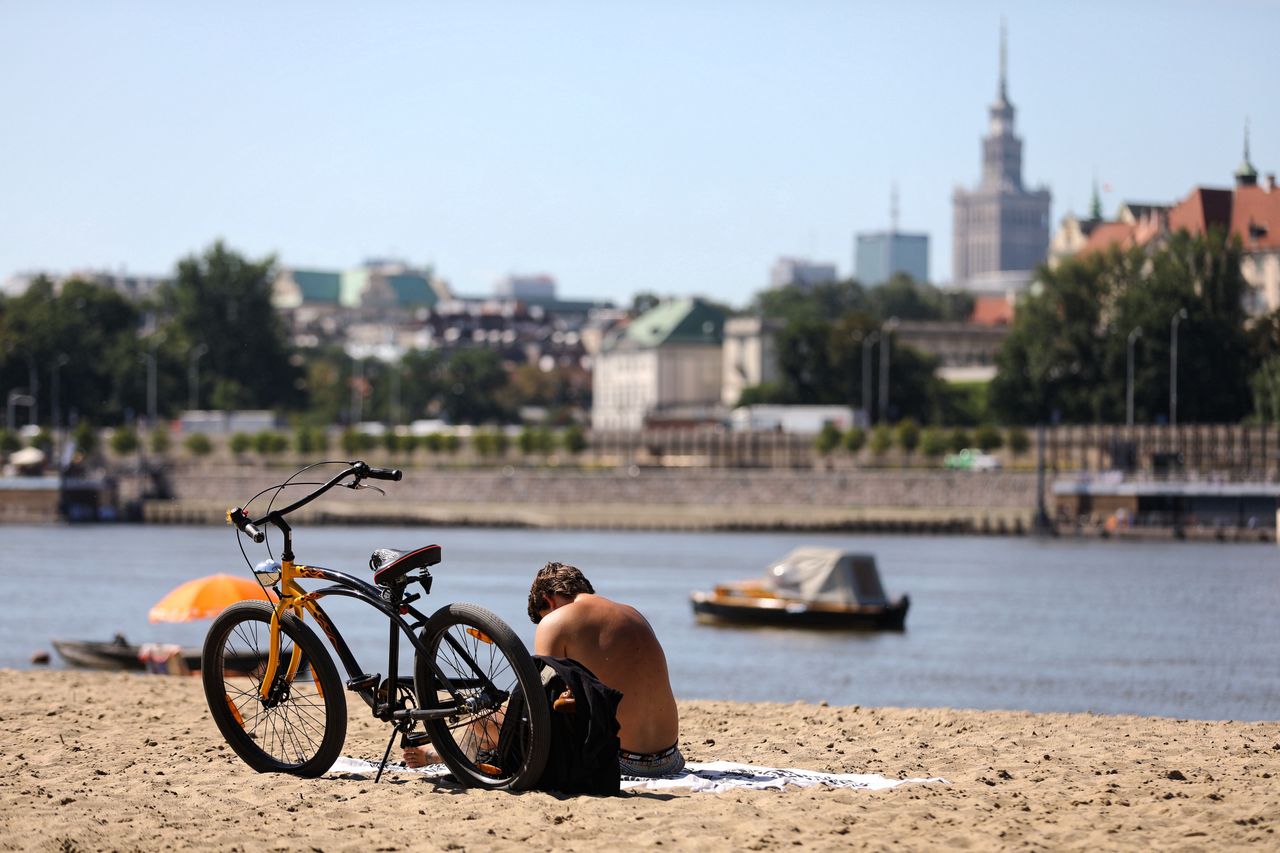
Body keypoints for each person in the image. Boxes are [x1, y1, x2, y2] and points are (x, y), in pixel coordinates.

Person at [405, 561, 684, 777]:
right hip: (669, 757)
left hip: (618, 760)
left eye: (542, 617)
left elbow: (537, 708)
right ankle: (443, 750)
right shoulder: (632, 612)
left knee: (485, 718)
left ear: (548, 601)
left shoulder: (557, 620)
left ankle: (439, 753)